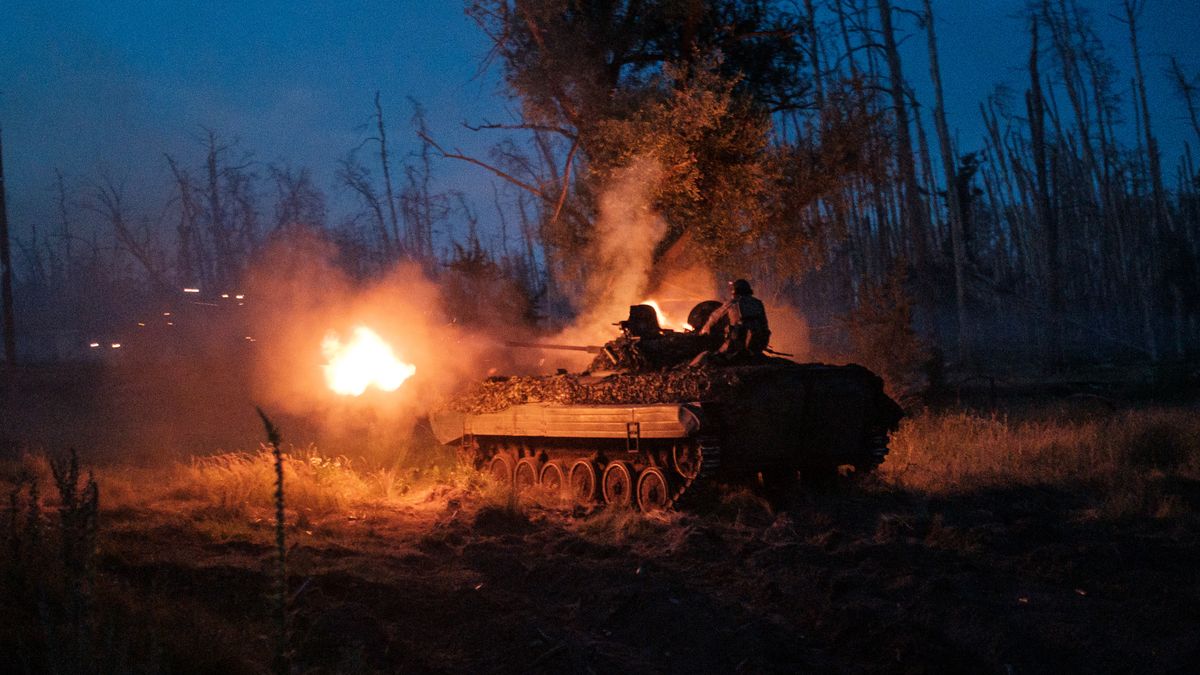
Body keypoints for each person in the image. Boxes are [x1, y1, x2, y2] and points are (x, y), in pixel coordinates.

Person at [698, 279, 771, 358]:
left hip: (738, 344)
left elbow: (715, 317)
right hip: (758, 345)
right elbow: (764, 324)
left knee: (712, 356)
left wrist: (703, 330)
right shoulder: (758, 303)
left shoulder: (733, 303)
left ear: (735, 291)